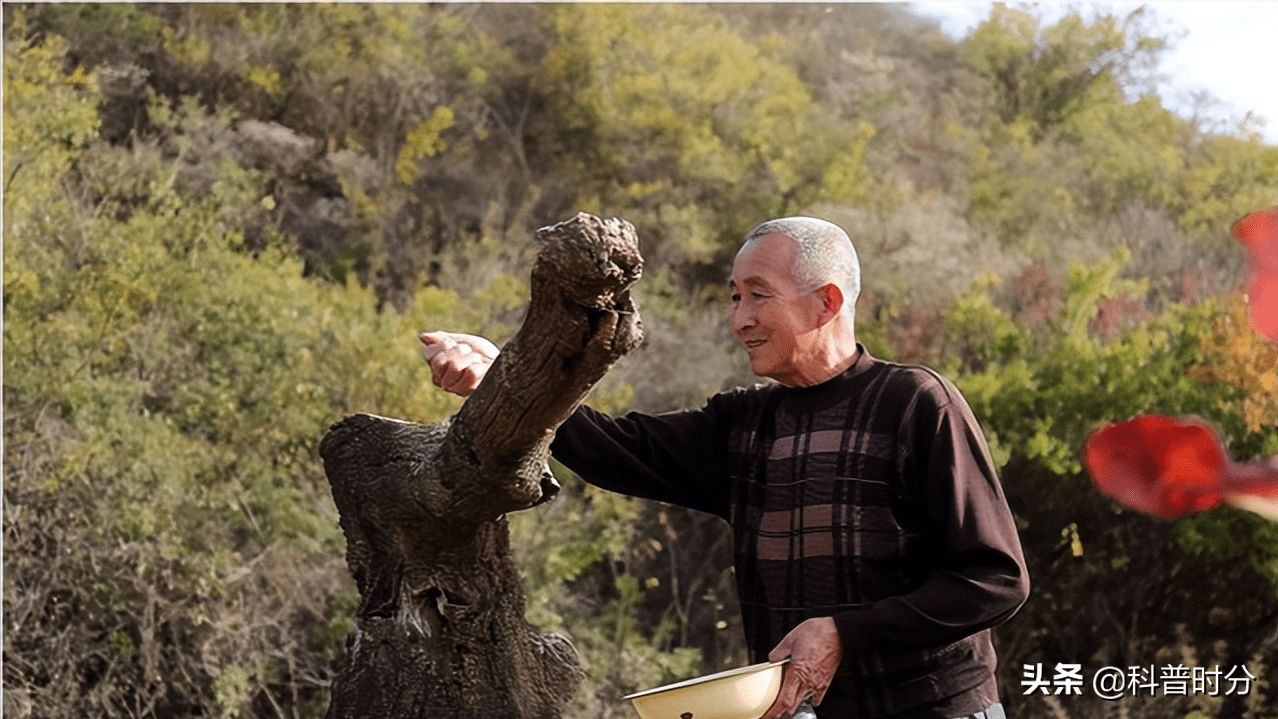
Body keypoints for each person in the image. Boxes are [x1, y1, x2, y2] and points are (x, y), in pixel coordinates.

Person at [421, 217, 1030, 719]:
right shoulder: (741, 425)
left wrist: (846, 632)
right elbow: (609, 446)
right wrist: (503, 379)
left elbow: (994, 579)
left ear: (828, 301)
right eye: (735, 296)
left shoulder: (917, 403)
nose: (739, 318)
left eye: (758, 294)